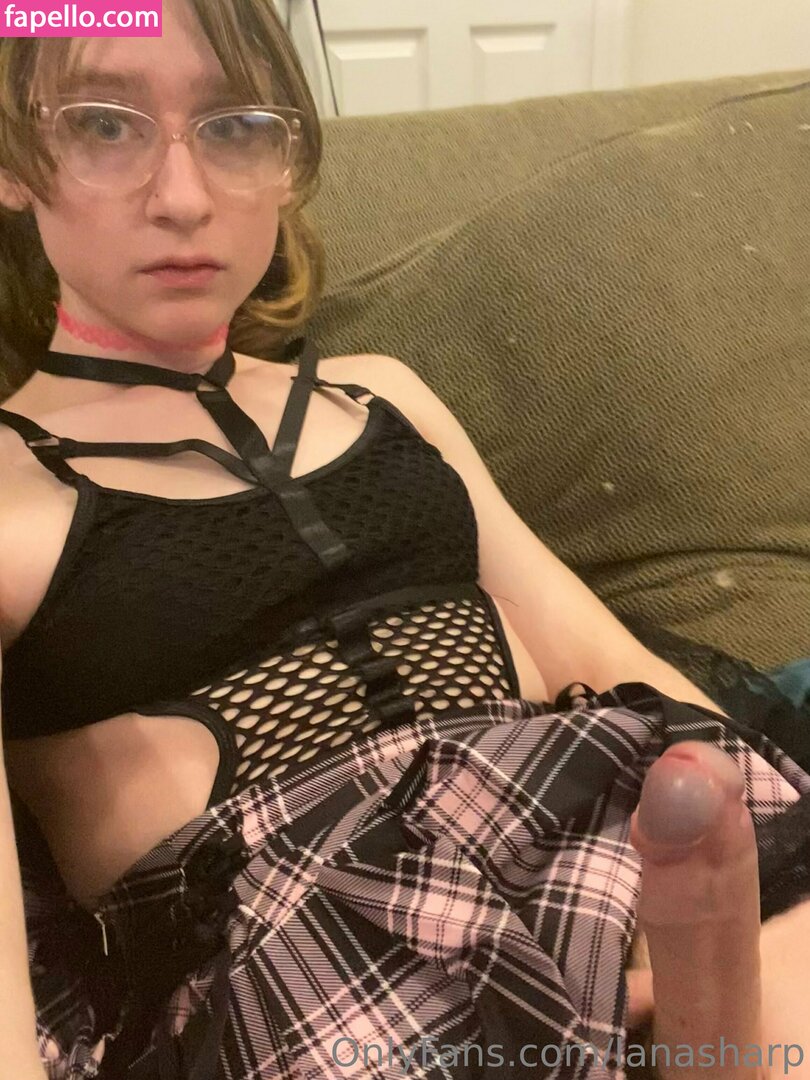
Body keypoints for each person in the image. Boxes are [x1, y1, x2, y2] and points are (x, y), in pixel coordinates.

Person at [0, 2, 808, 1077]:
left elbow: (596, 650)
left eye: (234, 127)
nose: (183, 197)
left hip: (594, 828)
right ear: (12, 163)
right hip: (303, 946)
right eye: (104, 125)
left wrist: (764, 814)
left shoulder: (381, 395)